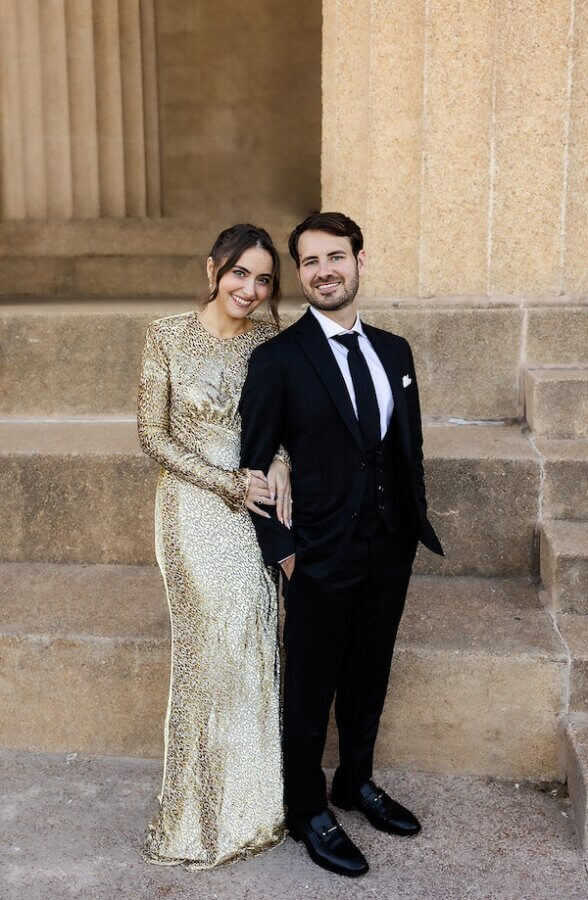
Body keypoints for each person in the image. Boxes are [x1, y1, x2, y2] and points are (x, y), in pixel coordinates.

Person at [240, 211, 443, 878]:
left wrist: (411, 526)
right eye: (310, 261)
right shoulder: (277, 359)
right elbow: (253, 460)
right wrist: (284, 549)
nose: (324, 270)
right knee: (310, 688)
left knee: (369, 674)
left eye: (336, 257)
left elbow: (405, 448)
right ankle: (306, 807)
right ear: (299, 275)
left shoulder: (395, 351)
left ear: (359, 261)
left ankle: (355, 781)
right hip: (319, 553)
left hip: (390, 545)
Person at [137, 224, 292, 869]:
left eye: (262, 279)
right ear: (212, 270)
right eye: (239, 274)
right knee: (211, 649)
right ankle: (197, 815)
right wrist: (226, 483)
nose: (250, 290)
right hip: (193, 506)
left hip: (255, 507)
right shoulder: (167, 336)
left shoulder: (271, 341)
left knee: (256, 636)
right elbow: (152, 435)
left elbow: (286, 420)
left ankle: (253, 806)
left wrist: (281, 460)